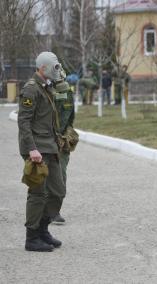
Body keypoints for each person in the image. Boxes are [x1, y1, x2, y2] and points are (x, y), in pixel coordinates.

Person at [17, 51, 66, 252]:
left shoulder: (47, 87)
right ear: (43, 67)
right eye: (54, 67)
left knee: (57, 191)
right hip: (37, 149)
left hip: (50, 146)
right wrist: (32, 149)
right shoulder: (31, 89)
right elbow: (24, 122)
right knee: (37, 193)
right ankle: (32, 237)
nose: (57, 71)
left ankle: (43, 230)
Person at [51, 67, 78, 224]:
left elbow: (69, 116)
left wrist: (65, 136)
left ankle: (54, 211)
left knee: (60, 174)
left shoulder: (66, 92)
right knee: (41, 174)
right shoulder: (38, 90)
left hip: (60, 140)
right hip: (43, 139)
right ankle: (40, 210)